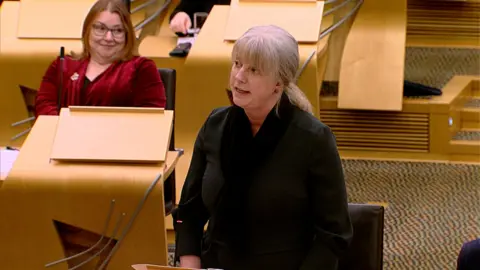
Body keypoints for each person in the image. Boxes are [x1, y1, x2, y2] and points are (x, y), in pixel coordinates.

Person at [172, 25, 353, 270]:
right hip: (216, 262)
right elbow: (190, 210)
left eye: (254, 70)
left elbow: (333, 235)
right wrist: (190, 263)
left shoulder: (313, 139)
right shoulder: (216, 125)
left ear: (278, 84)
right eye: (237, 64)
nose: (239, 76)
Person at [35, 0, 166, 116]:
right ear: (87, 30)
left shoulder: (141, 68)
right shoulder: (62, 65)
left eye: (118, 30)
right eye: (100, 28)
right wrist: (64, 128)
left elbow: (151, 117)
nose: (108, 37)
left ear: (127, 35)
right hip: (65, 140)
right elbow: (44, 105)